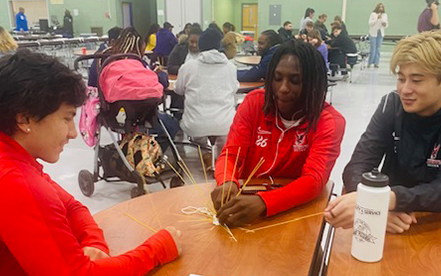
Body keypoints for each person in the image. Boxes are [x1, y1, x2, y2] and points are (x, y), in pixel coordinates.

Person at [0, 50, 182, 275]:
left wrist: (94, 246)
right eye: (66, 118)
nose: (72, 133)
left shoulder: (14, 161)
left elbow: (73, 208)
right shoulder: (16, 182)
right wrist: (159, 248)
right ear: (24, 118)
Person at [325, 31, 441, 234]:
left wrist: (383, 201)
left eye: (417, 80)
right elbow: (357, 165)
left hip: (440, 225)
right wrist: (376, 209)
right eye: (401, 79)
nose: (405, 90)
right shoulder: (392, 105)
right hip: (389, 222)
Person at [211, 40, 345, 227]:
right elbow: (231, 155)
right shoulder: (254, 104)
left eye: (295, 81)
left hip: (294, 211)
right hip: (245, 208)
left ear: (313, 83)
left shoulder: (329, 121)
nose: (283, 88)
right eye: (277, 78)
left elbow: (313, 180)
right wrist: (226, 181)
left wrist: (264, 202)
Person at [174, 28, 239, 159]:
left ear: (200, 45)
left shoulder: (188, 67)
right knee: (223, 134)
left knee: (198, 133)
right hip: (225, 124)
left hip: (195, 124)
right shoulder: (231, 67)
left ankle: (205, 153)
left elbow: (178, 90)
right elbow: (234, 89)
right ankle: (221, 160)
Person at [368, 3, 388, 68]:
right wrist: (377, 18)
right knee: (373, 48)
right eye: (379, 7)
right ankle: (370, 62)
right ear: (377, 8)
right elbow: (370, 23)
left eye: (382, 7)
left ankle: (376, 63)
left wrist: (384, 23)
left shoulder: (385, 15)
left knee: (378, 48)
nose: (381, 8)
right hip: (373, 33)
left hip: (380, 33)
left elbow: (386, 24)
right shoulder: (373, 14)